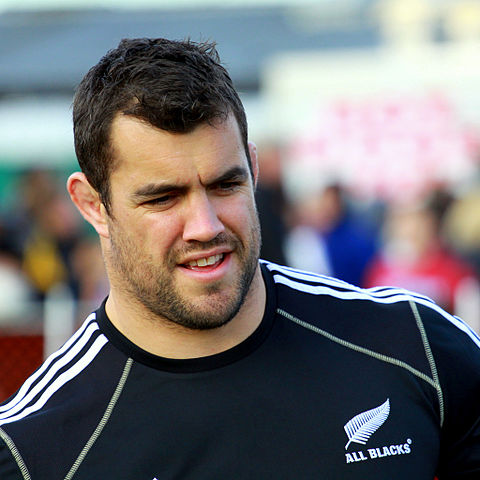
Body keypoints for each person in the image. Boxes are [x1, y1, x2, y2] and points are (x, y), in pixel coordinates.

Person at [0, 37, 479, 480]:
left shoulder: (416, 345)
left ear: (252, 168)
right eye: (163, 198)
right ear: (92, 205)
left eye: (225, 184)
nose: (206, 225)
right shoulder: (33, 449)